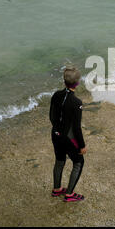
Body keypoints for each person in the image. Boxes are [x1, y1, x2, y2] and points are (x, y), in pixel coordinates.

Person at [49, 66, 87, 202]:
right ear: (77, 83)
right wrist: (82, 146)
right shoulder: (77, 103)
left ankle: (56, 189)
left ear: (64, 81)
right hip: (67, 138)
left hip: (55, 134)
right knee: (79, 162)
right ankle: (69, 194)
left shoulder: (56, 95)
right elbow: (76, 128)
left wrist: (57, 130)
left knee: (59, 161)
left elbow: (51, 116)